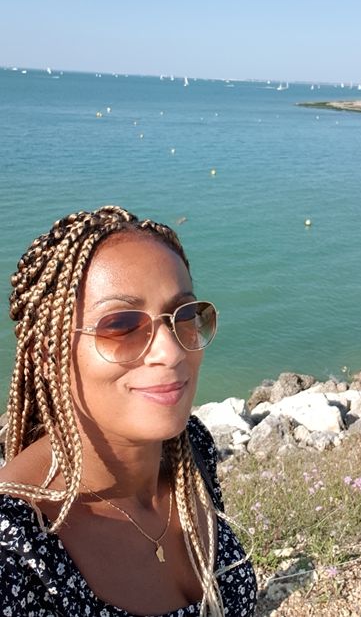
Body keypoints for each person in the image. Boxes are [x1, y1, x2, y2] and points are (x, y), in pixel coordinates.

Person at [0, 206, 257, 617]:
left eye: (184, 315)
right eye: (120, 325)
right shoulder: (14, 551)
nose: (170, 351)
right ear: (47, 355)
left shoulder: (189, 450)